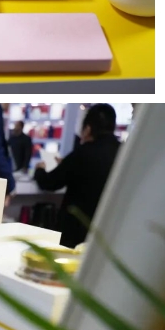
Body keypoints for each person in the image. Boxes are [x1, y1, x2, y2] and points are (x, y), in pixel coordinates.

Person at [33, 104, 121, 248]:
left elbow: (50, 182)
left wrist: (39, 170)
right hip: (107, 233)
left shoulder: (83, 153)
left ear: (88, 129)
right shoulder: (123, 152)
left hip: (75, 232)